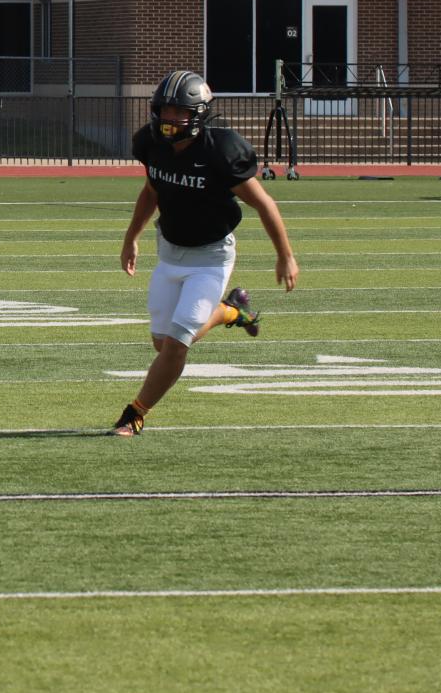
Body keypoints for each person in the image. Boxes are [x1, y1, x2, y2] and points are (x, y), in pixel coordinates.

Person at [112, 70, 300, 436]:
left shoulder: (219, 151)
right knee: (161, 343)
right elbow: (151, 191)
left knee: (177, 344)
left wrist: (285, 255)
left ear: (197, 114)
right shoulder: (152, 145)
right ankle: (230, 311)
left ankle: (135, 413)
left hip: (211, 258)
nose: (169, 119)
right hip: (170, 253)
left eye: (178, 112)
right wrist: (130, 236)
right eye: (164, 110)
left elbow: (264, 204)